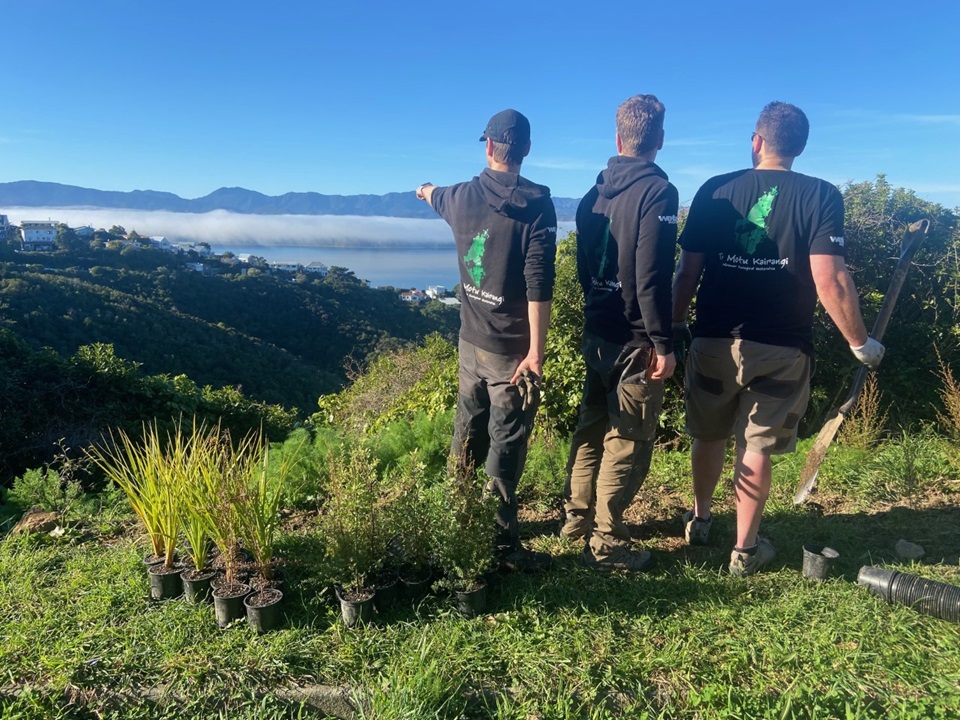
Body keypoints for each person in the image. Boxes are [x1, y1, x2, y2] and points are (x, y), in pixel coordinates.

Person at [672, 101, 884, 576]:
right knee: (757, 445)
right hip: (783, 347)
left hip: (713, 340)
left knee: (707, 433)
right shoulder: (822, 195)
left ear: (756, 141)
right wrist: (859, 341)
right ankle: (745, 551)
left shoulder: (715, 189)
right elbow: (829, 279)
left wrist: (675, 323)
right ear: (800, 147)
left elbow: (688, 271)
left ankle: (702, 520)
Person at [415, 109, 557, 572]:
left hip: (469, 344)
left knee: (468, 429)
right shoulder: (538, 207)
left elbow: (433, 194)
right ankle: (497, 545)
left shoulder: (458, 198)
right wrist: (536, 352)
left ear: (489, 146)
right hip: (511, 350)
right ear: (526, 151)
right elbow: (539, 282)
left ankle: (459, 519)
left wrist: (424, 190)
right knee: (506, 440)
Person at [559, 93, 679, 572]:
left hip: (598, 329)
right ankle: (608, 544)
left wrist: (599, 303)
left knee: (590, 429)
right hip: (635, 338)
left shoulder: (593, 195)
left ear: (618, 137)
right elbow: (650, 277)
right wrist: (663, 343)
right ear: (660, 140)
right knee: (627, 438)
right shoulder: (659, 193)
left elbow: (585, 271)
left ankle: (575, 522)